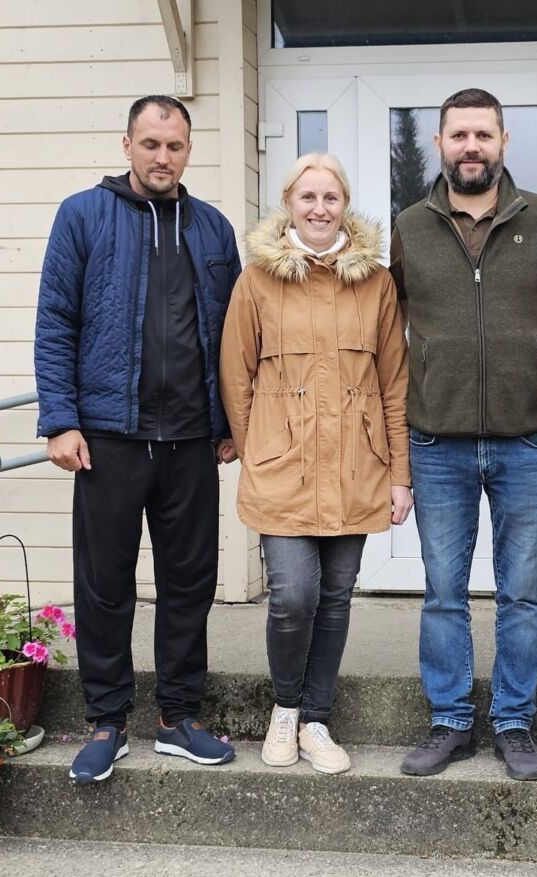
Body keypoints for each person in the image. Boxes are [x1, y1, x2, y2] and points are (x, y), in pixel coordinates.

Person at [34, 95, 242, 784]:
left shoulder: (212, 229)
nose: (162, 156)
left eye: (174, 145)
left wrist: (231, 422)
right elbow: (55, 320)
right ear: (127, 145)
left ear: (188, 151)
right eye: (150, 143)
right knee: (104, 585)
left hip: (191, 439)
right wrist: (61, 419)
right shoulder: (82, 216)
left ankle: (179, 717)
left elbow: (235, 337)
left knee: (190, 584)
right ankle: (107, 720)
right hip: (107, 437)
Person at [390, 88, 537, 782]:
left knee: (520, 594)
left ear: (503, 142)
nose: (472, 146)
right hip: (435, 441)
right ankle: (449, 721)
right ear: (440, 143)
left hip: (523, 439)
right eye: (459, 135)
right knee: (443, 592)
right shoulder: (409, 227)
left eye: (483, 135)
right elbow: (384, 323)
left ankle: (514, 722)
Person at [220, 153, 411, 775]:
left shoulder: (375, 283)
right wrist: (256, 449)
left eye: (331, 198)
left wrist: (400, 475)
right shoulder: (257, 281)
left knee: (334, 598)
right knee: (293, 595)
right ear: (289, 204)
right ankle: (285, 709)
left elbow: (394, 383)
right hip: (284, 465)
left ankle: (316, 720)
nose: (320, 208)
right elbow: (235, 376)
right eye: (308, 197)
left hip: (357, 464)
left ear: (345, 205)